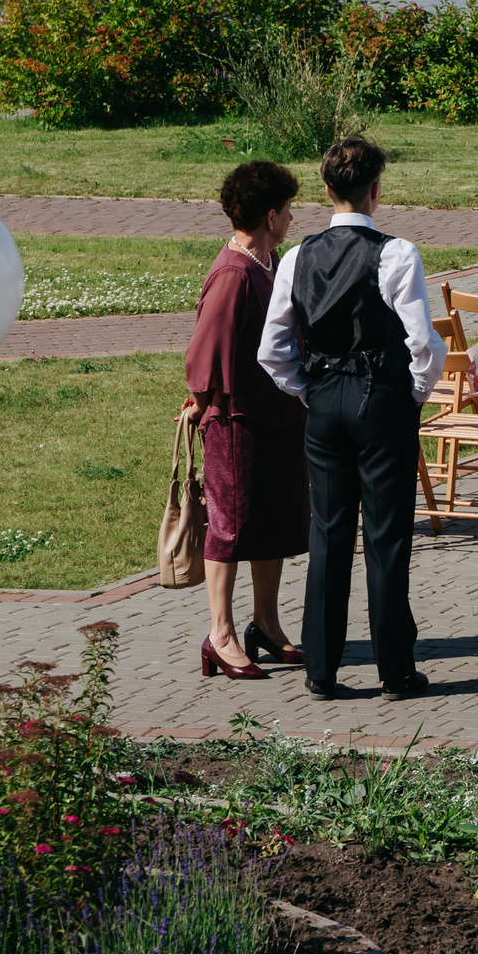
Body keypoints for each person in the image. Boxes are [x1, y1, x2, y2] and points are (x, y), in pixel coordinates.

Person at [259, 136, 445, 701]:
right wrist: (413, 392)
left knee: (329, 533)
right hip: (380, 397)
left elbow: (272, 347)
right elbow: (423, 342)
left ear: (325, 189)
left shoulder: (295, 256)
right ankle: (394, 670)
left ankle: (321, 668)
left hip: (325, 400)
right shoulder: (396, 253)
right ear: (377, 191)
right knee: (386, 537)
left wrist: (306, 390)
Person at [187, 160, 310, 682]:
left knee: (274, 524)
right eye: (287, 209)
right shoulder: (234, 273)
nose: (291, 217)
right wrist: (202, 399)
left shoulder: (267, 259)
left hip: (278, 415)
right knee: (231, 529)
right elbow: (204, 352)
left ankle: (265, 623)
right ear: (269, 214)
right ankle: (221, 634)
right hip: (238, 421)